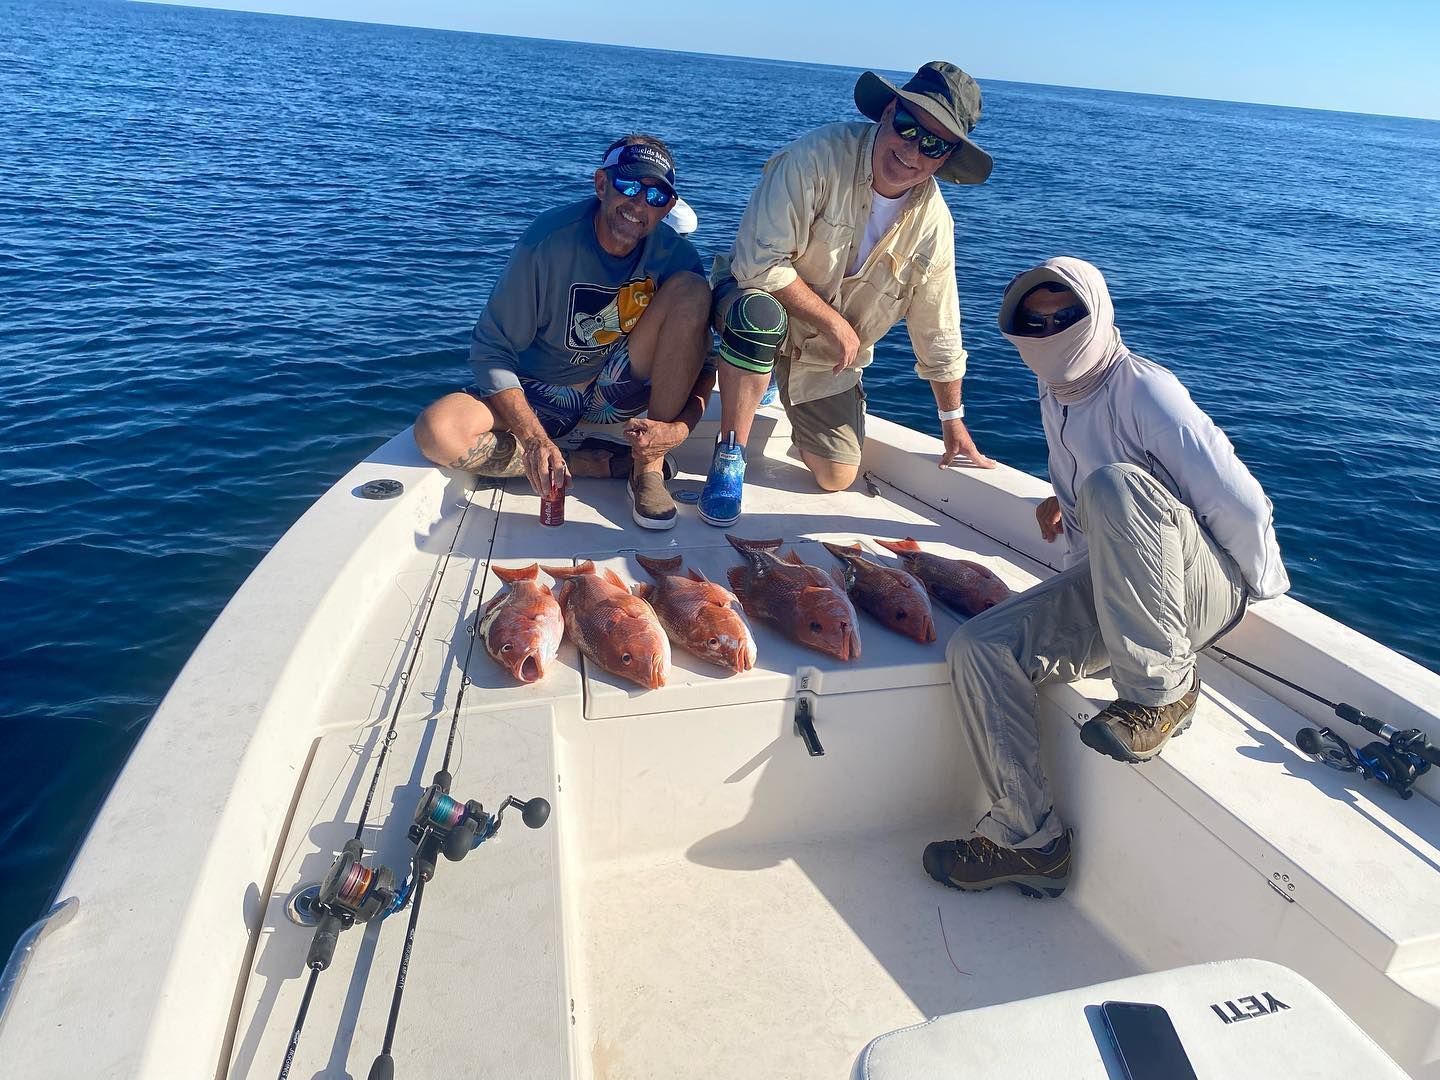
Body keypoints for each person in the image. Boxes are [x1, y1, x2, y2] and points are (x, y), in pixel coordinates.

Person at [923, 257, 1290, 899]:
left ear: (1097, 312)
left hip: (1202, 592)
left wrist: (1249, 595)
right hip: (1121, 584)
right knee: (979, 648)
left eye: (1066, 315)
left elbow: (1242, 504)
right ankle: (1031, 842)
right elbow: (1090, 507)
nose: (1051, 330)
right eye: (1033, 321)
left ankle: (1163, 692)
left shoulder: (1144, 390)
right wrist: (1067, 514)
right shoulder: (1055, 390)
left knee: (1114, 484)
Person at [696, 61, 997, 528]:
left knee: (837, 476)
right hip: (754, 300)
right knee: (759, 318)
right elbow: (759, 262)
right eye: (907, 126)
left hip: (823, 355)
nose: (913, 150)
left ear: (946, 158)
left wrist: (952, 420)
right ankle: (730, 453)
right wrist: (834, 323)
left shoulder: (934, 224)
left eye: (934, 144)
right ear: (888, 111)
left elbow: (938, 327)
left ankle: (777, 380)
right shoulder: (815, 157)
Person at [414, 135, 713, 530]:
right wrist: (534, 439)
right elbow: (491, 350)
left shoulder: (675, 254)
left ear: (668, 207)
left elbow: (705, 356)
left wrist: (680, 426)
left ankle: (648, 466)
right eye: (628, 186)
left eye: (656, 196)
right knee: (438, 431)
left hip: (617, 386)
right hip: (542, 391)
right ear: (601, 185)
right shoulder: (548, 241)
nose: (639, 204)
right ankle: (584, 463)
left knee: (694, 290)